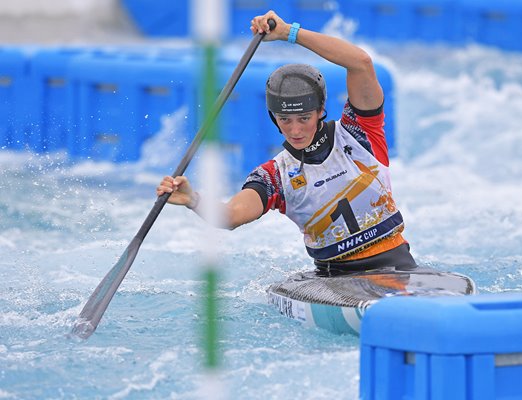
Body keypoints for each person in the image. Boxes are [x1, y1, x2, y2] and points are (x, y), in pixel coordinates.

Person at [156, 10, 417, 274]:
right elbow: (230, 216)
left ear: (320, 110)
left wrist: (288, 33)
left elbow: (360, 62)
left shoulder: (359, 133)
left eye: (304, 118)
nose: (294, 130)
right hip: (337, 282)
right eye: (284, 119)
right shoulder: (275, 176)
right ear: (273, 117)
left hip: (398, 265)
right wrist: (193, 199)